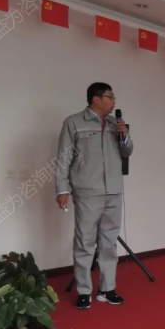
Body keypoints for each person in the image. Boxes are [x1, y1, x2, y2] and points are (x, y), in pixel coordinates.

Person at [55, 82, 134, 310]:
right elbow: (63, 158)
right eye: (110, 97)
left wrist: (125, 136)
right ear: (96, 99)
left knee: (109, 242)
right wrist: (62, 189)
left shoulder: (115, 124)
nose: (114, 101)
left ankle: (107, 289)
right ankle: (84, 291)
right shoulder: (74, 122)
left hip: (113, 191)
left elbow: (127, 151)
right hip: (88, 191)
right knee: (85, 242)